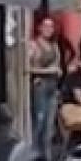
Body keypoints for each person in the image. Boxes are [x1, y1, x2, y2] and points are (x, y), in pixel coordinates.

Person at [28, 16, 63, 152]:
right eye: (46, 26)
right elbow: (26, 69)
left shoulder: (54, 46)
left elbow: (58, 64)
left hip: (53, 87)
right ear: (40, 28)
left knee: (49, 126)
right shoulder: (33, 45)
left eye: (51, 27)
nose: (49, 29)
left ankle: (47, 158)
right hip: (40, 86)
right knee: (39, 122)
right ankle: (34, 153)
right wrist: (46, 71)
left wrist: (58, 70)